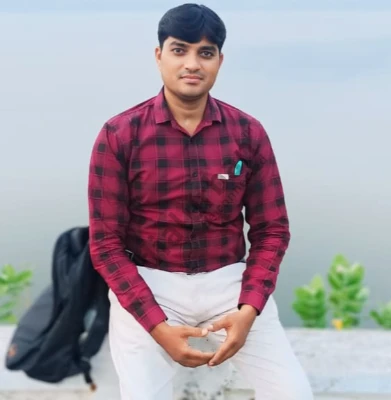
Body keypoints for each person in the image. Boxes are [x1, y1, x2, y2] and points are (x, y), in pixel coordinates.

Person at [88, 3, 313, 400]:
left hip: (230, 283)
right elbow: (105, 245)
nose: (192, 64)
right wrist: (157, 326)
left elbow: (272, 230)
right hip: (148, 283)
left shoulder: (247, 133)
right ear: (159, 56)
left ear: (219, 61)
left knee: (293, 393)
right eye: (180, 50)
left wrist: (249, 309)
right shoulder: (120, 135)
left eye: (205, 53)